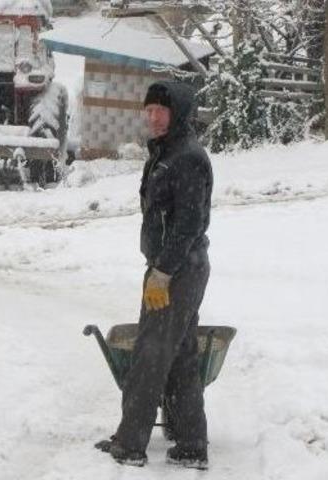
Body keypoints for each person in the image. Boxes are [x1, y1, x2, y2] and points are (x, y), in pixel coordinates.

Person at [95, 81, 214, 469]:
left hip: (177, 270)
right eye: (148, 110)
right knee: (180, 355)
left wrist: (163, 271)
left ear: (178, 112)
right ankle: (191, 443)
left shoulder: (187, 157)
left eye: (160, 110)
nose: (153, 117)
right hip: (173, 266)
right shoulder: (166, 152)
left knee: (149, 356)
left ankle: (131, 444)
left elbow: (189, 223)